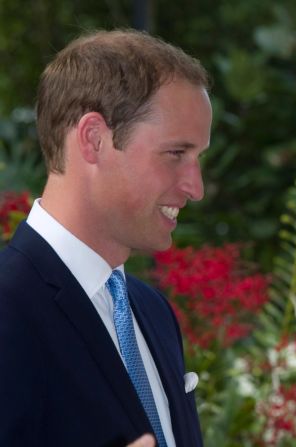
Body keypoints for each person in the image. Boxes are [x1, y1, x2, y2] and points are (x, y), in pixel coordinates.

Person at [0, 29, 212, 447]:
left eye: (198, 158)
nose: (196, 187)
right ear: (93, 139)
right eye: (176, 154)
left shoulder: (154, 313)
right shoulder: (8, 306)